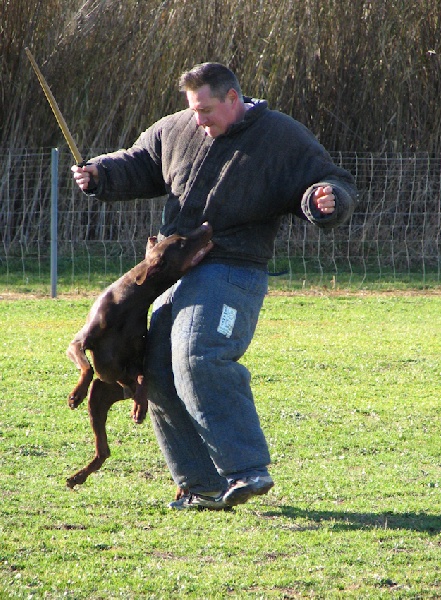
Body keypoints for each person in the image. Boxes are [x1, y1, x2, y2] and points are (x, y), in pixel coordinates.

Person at [72, 62, 358, 511]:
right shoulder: (178, 128)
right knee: (158, 375)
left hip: (232, 268)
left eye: (205, 110)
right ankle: (200, 485)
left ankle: (247, 470)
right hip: (175, 274)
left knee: (199, 353)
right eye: (193, 110)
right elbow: (140, 162)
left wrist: (325, 199)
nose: (198, 119)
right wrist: (100, 174)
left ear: (232, 99)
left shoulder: (281, 137)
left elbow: (329, 182)